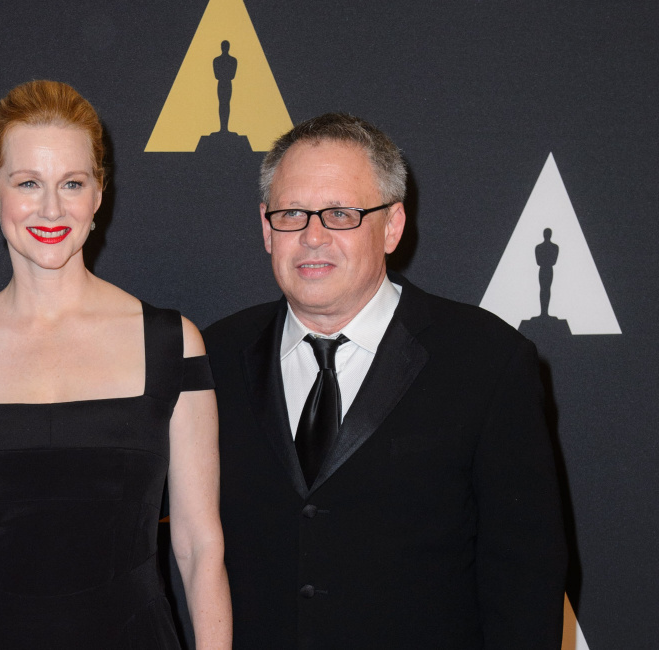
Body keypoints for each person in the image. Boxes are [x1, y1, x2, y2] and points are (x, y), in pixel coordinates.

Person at [203, 112, 568, 648]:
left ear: (392, 226)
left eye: (342, 214)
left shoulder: (487, 361)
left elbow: (525, 576)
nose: (312, 236)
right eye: (291, 214)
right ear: (265, 227)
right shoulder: (212, 357)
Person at [0, 80, 231, 649]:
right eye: (28, 183)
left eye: (72, 183)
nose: (51, 209)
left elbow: (200, 549)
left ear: (98, 193)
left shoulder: (172, 345)